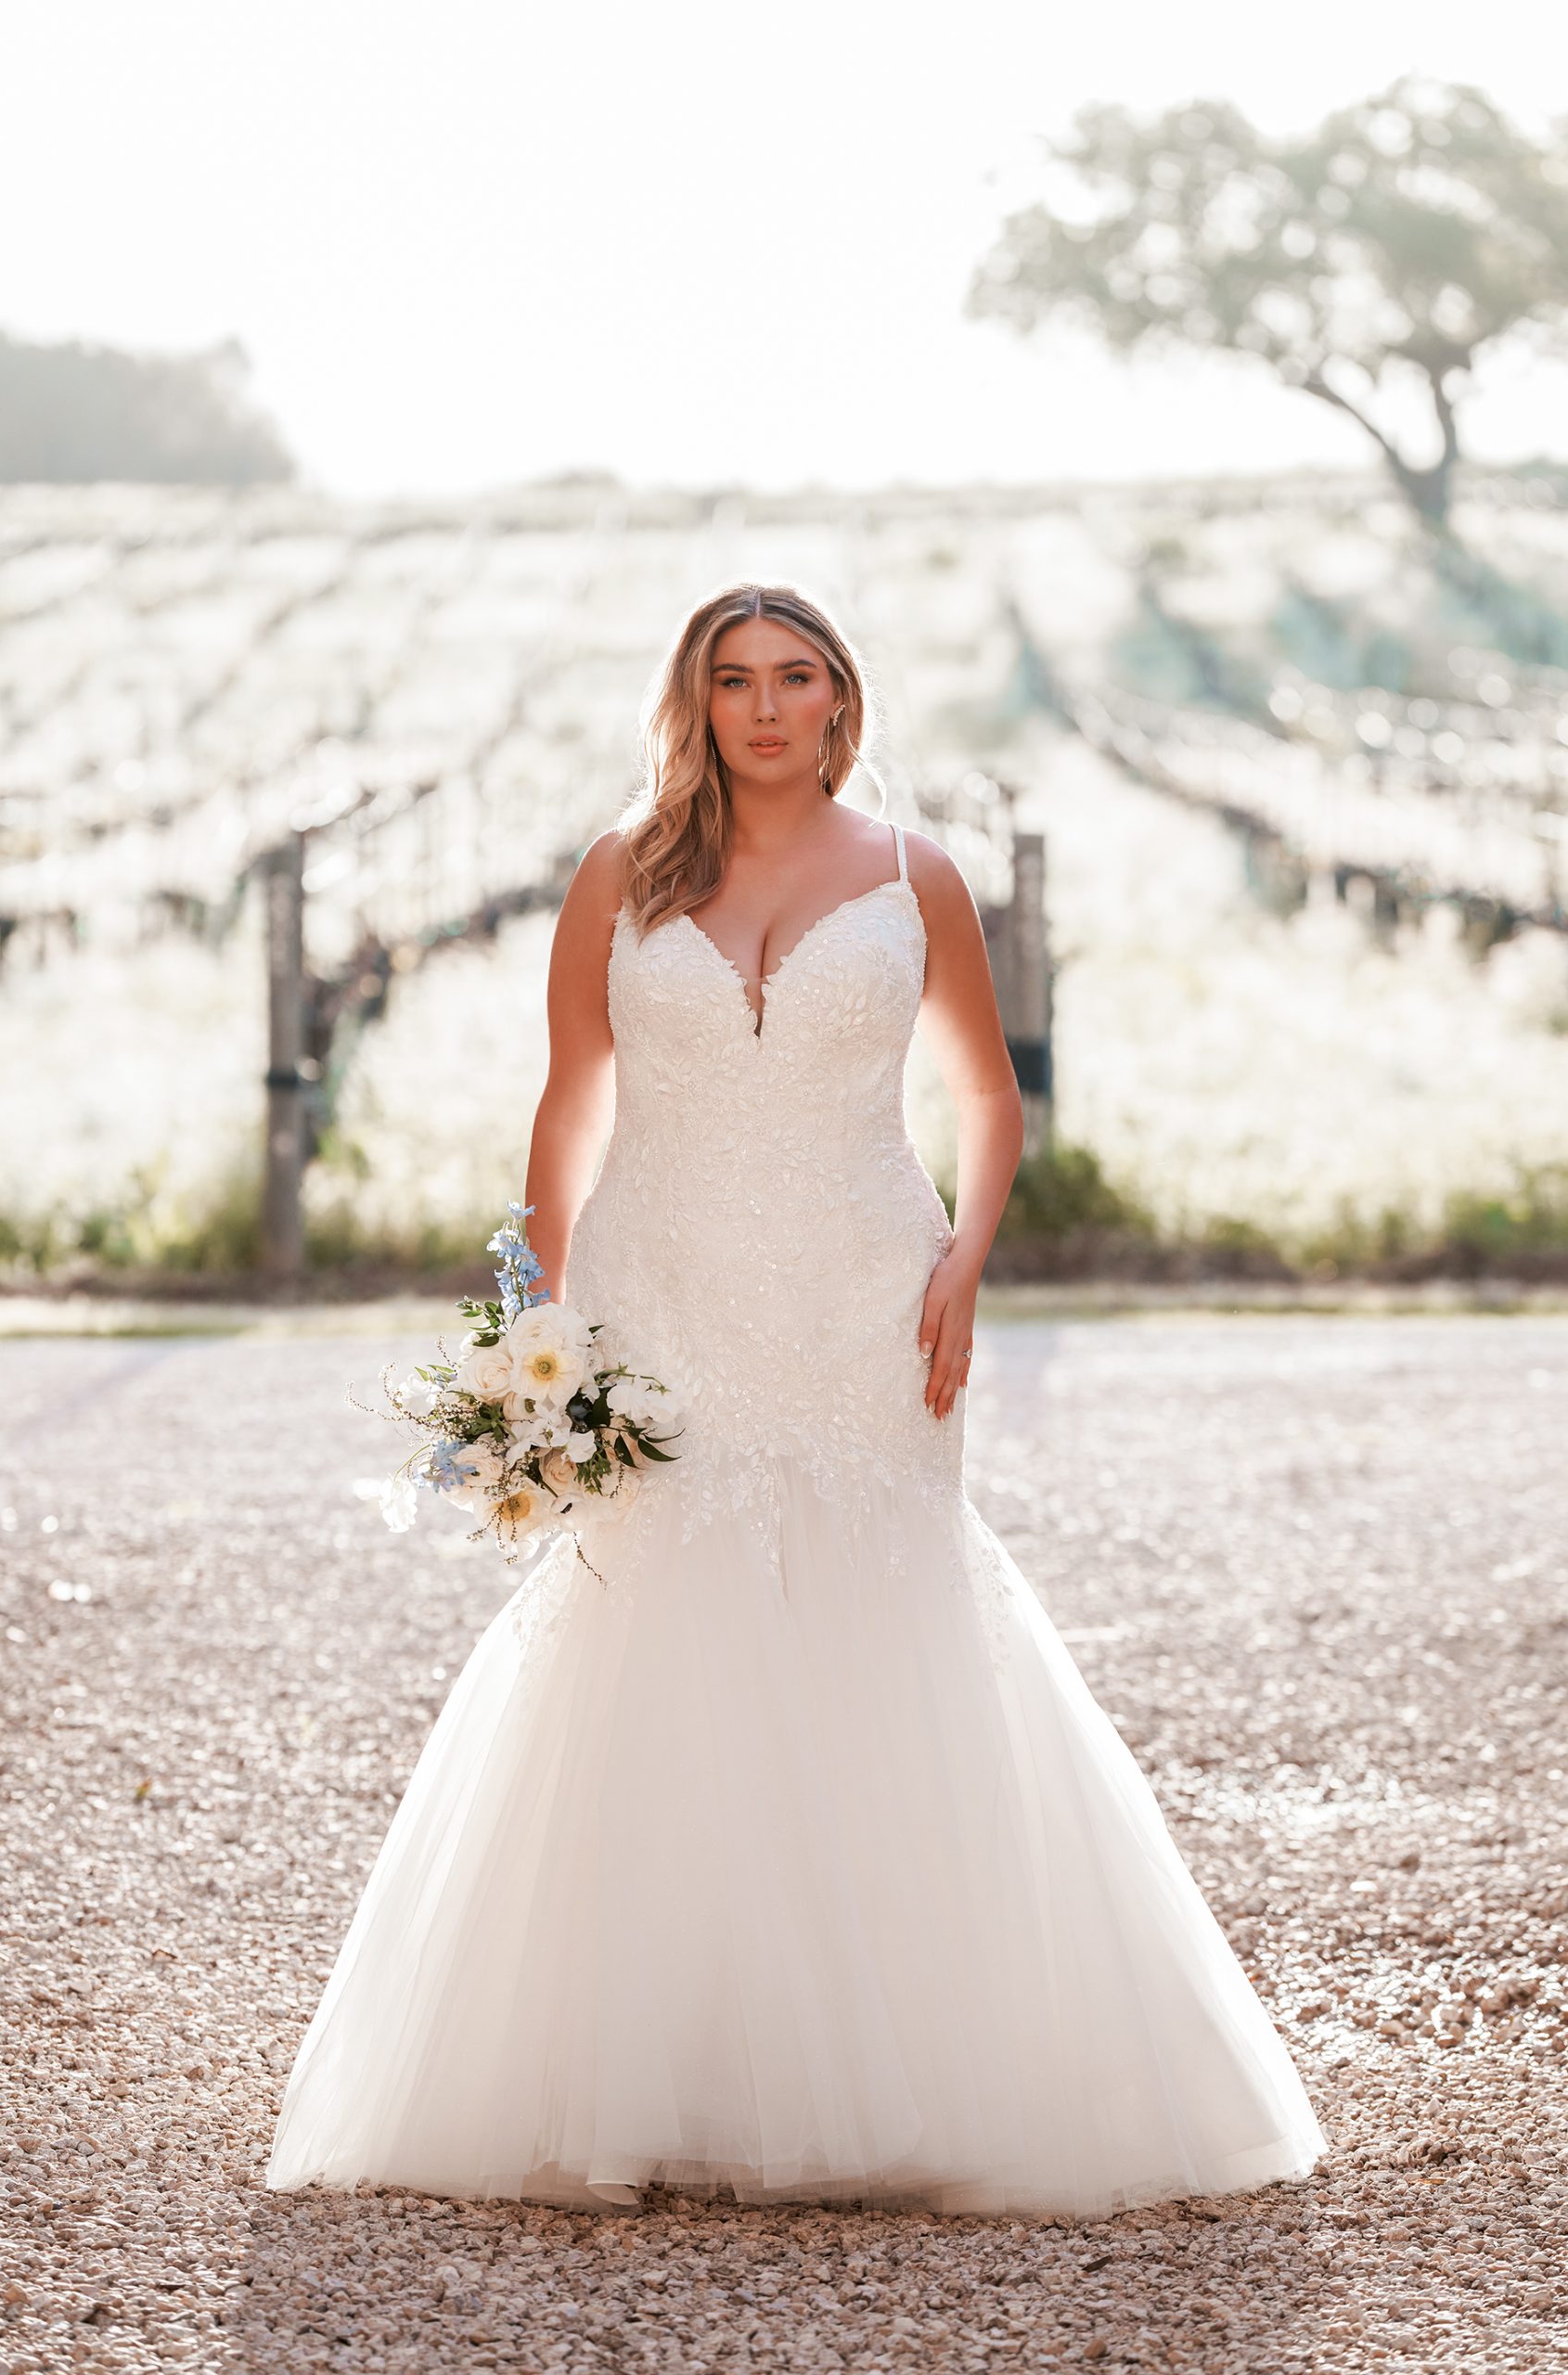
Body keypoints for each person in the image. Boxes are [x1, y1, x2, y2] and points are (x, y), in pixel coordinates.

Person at [265, 583, 1326, 2215]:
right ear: (694, 701)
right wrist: (532, 1314)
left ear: (843, 700)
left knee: (877, 1613)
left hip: (863, 1293)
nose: (767, 707)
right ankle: (649, 2066)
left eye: (798, 678)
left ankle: (916, 2065)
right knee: (648, 1625)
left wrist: (967, 1256)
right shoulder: (620, 875)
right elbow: (570, 1100)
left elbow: (985, 1086)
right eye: (734, 680)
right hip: (664, 1282)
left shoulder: (920, 878)